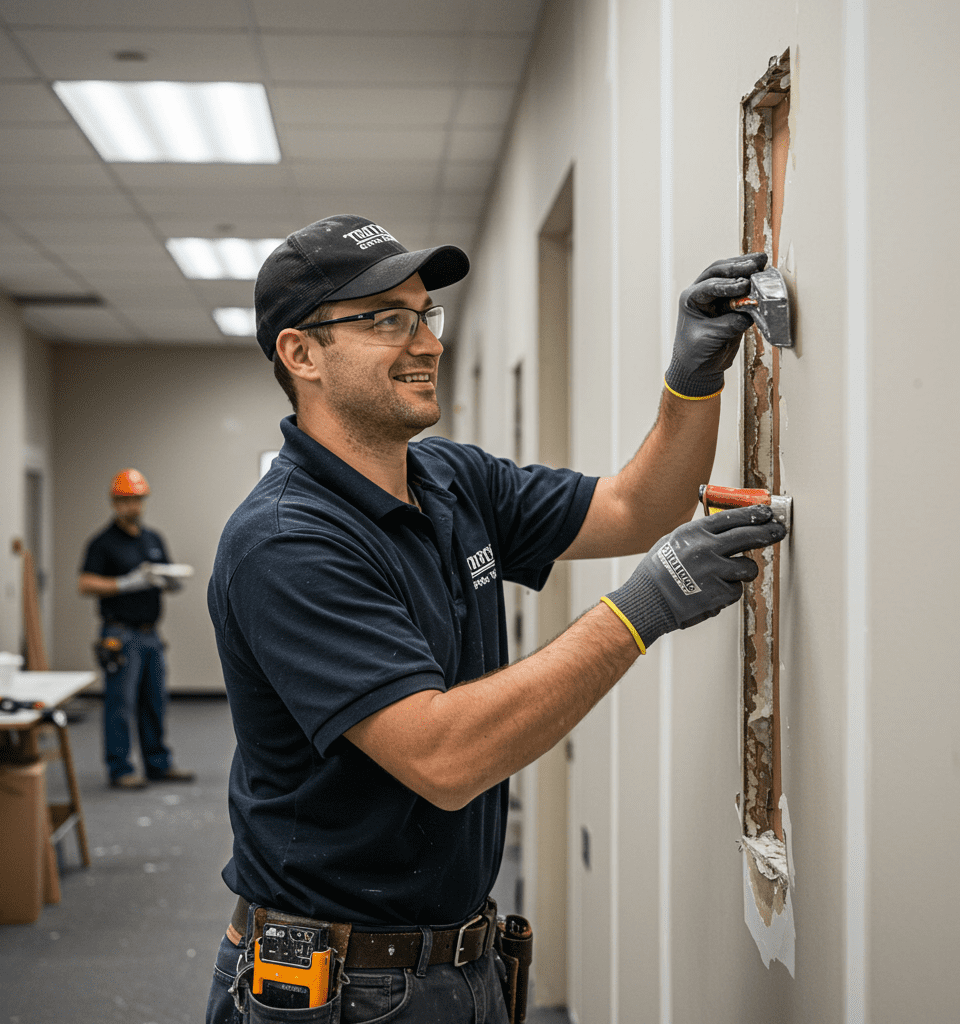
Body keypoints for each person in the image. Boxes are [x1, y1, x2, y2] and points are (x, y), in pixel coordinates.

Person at [205, 215, 784, 1023]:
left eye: (425, 313)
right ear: (301, 355)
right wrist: (644, 607)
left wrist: (691, 380)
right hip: (337, 988)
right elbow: (443, 756)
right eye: (386, 320)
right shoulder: (286, 541)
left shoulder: (449, 478)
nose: (427, 342)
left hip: (458, 961)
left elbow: (633, 508)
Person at [78, 468, 195, 789]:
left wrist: (170, 581)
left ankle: (158, 764)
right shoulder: (103, 543)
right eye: (127, 500)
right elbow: (85, 583)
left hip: (151, 634)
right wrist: (126, 583)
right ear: (115, 502)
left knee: (154, 702)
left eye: (138, 500)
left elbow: (164, 572)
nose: (134, 507)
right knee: (120, 705)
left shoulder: (153, 539)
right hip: (120, 634)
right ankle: (120, 769)